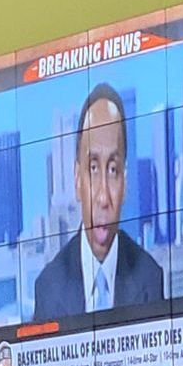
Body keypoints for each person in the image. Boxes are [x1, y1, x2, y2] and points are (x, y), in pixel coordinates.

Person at [32, 84, 164, 320]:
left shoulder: (150, 276)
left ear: (125, 183)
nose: (103, 198)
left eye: (113, 170)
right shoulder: (48, 287)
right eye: (93, 168)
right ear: (77, 180)